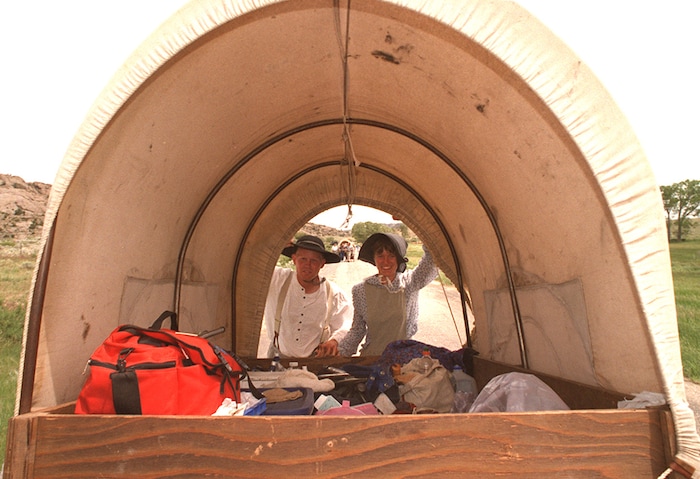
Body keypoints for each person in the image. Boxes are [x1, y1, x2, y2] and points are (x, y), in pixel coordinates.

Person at [339, 233, 438, 357]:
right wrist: (339, 351)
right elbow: (357, 331)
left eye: (391, 256)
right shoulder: (360, 290)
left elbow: (432, 259)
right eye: (380, 256)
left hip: (403, 359)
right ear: (374, 259)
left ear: (398, 258)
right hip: (371, 359)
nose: (386, 261)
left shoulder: (410, 283)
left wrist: (423, 227)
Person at [264, 235, 352, 358]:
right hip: (277, 360)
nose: (307, 265)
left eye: (314, 261)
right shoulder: (276, 279)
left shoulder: (334, 294)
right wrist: (275, 245)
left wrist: (334, 341)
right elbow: (253, 262)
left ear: (322, 264)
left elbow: (345, 325)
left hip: (315, 364)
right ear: (294, 259)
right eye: (303, 259)